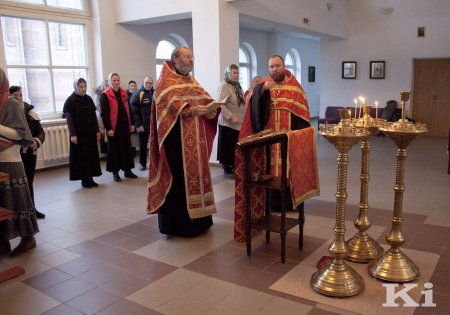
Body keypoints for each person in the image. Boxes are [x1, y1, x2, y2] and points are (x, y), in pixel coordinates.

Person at [233, 55, 320, 241]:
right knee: (269, 168)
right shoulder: (264, 84)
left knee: (288, 166)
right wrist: (262, 90)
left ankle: (289, 201)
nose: (275, 69)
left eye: (277, 65)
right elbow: (252, 107)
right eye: (271, 66)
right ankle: (270, 202)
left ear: (284, 66)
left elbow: (303, 116)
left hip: (289, 138)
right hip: (268, 140)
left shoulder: (295, 87)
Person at [147, 47, 219, 236]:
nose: (191, 60)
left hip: (196, 141)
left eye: (192, 57)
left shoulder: (190, 80)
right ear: (176, 59)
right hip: (175, 141)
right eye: (187, 57)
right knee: (179, 180)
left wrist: (211, 108)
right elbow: (169, 103)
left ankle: (200, 221)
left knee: (198, 176)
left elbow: (204, 99)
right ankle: (179, 226)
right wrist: (189, 110)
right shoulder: (166, 81)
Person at [0, 67, 39, 257]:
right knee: (2, 204)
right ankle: (3, 241)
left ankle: (27, 239)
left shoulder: (11, 102)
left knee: (18, 201)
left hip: (10, 161)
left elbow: (21, 134)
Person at [9, 85, 46, 219]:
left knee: (29, 181)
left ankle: (32, 209)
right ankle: (18, 212)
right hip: (14, 155)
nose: (18, 98)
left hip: (30, 154)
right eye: (15, 96)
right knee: (16, 184)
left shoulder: (30, 113)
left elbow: (40, 132)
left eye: (20, 95)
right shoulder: (7, 114)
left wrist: (37, 141)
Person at [63, 78, 102, 188]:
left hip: (90, 133)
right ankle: (85, 180)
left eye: (85, 86)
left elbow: (94, 117)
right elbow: (69, 119)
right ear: (76, 87)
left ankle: (90, 178)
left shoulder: (88, 99)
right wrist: (73, 134)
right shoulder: (70, 100)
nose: (83, 89)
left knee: (91, 156)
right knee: (82, 157)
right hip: (79, 135)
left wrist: (97, 130)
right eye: (81, 86)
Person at [100, 72, 137, 182]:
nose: (116, 82)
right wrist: (108, 128)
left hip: (124, 126)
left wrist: (131, 123)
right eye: (114, 80)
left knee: (126, 149)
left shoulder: (123, 93)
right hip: (113, 127)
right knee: (114, 151)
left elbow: (129, 109)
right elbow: (104, 114)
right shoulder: (105, 95)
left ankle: (127, 171)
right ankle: (115, 173)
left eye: (117, 80)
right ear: (110, 82)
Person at [216, 64, 246, 176]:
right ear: (228, 73)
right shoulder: (224, 85)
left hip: (238, 121)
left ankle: (234, 165)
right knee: (228, 146)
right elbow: (221, 105)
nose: (236, 75)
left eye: (238, 73)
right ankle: (228, 167)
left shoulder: (237, 85)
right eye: (234, 73)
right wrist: (231, 116)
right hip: (227, 122)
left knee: (234, 145)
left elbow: (242, 101)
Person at [130, 76, 154, 171]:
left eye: (150, 83)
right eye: (146, 83)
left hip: (153, 125)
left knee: (154, 145)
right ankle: (143, 164)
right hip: (142, 126)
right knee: (143, 146)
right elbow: (135, 112)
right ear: (143, 83)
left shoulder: (155, 93)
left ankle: (154, 164)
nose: (148, 85)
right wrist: (139, 125)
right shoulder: (138, 94)